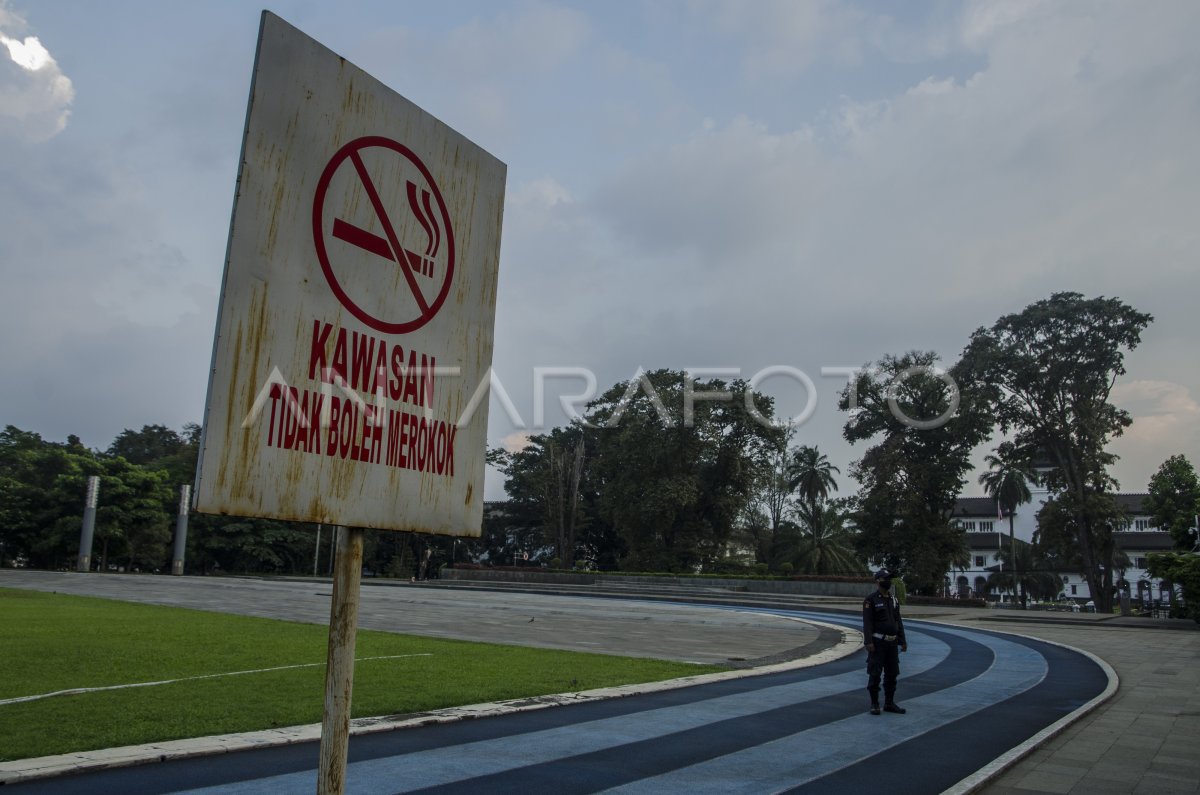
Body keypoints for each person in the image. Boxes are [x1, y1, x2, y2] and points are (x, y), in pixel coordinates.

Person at [863, 567, 907, 715]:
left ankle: (889, 702)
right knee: (875, 673)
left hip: (892, 643)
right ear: (878, 581)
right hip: (878, 642)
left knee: (892, 673)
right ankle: (874, 703)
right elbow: (867, 622)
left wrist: (902, 640)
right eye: (885, 579)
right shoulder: (871, 600)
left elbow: (898, 620)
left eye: (890, 578)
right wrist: (868, 641)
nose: (888, 581)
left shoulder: (893, 599)